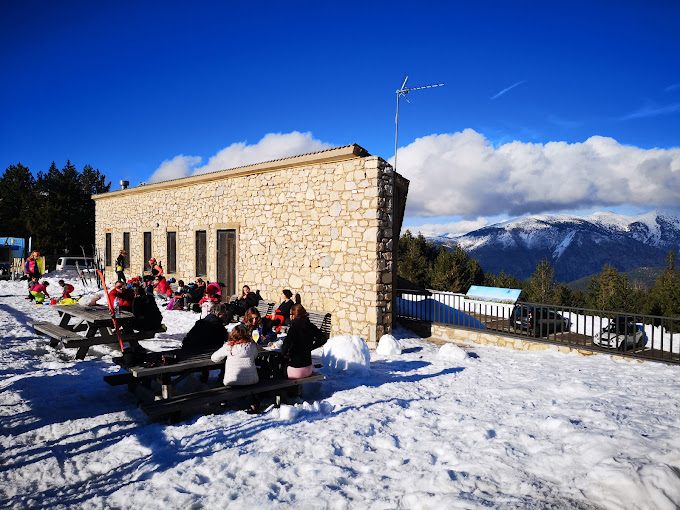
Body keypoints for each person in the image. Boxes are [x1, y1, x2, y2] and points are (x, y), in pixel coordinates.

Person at [281, 304, 327, 379]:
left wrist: (286, 353)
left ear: (293, 315)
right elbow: (323, 338)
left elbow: (284, 349)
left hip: (295, 371)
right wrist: (310, 347)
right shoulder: (310, 326)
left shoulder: (293, 328)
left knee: (276, 366)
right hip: (308, 369)